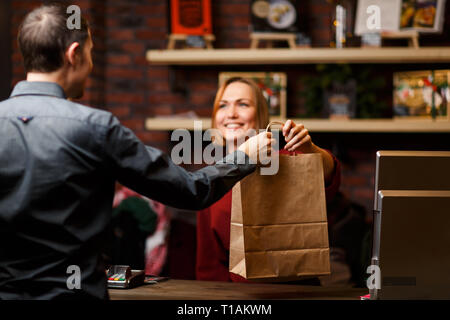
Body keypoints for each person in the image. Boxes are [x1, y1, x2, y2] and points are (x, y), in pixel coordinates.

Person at [0, 4, 273, 300]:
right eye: (90, 54)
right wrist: (247, 155)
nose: (91, 65)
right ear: (74, 54)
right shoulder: (96, 127)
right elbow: (192, 190)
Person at [196, 77, 342, 283]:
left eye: (243, 104)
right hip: (241, 301)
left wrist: (310, 150)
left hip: (298, 292)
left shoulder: (285, 161)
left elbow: (329, 175)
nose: (231, 114)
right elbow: (209, 267)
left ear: (261, 115)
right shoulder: (209, 178)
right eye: (223, 105)